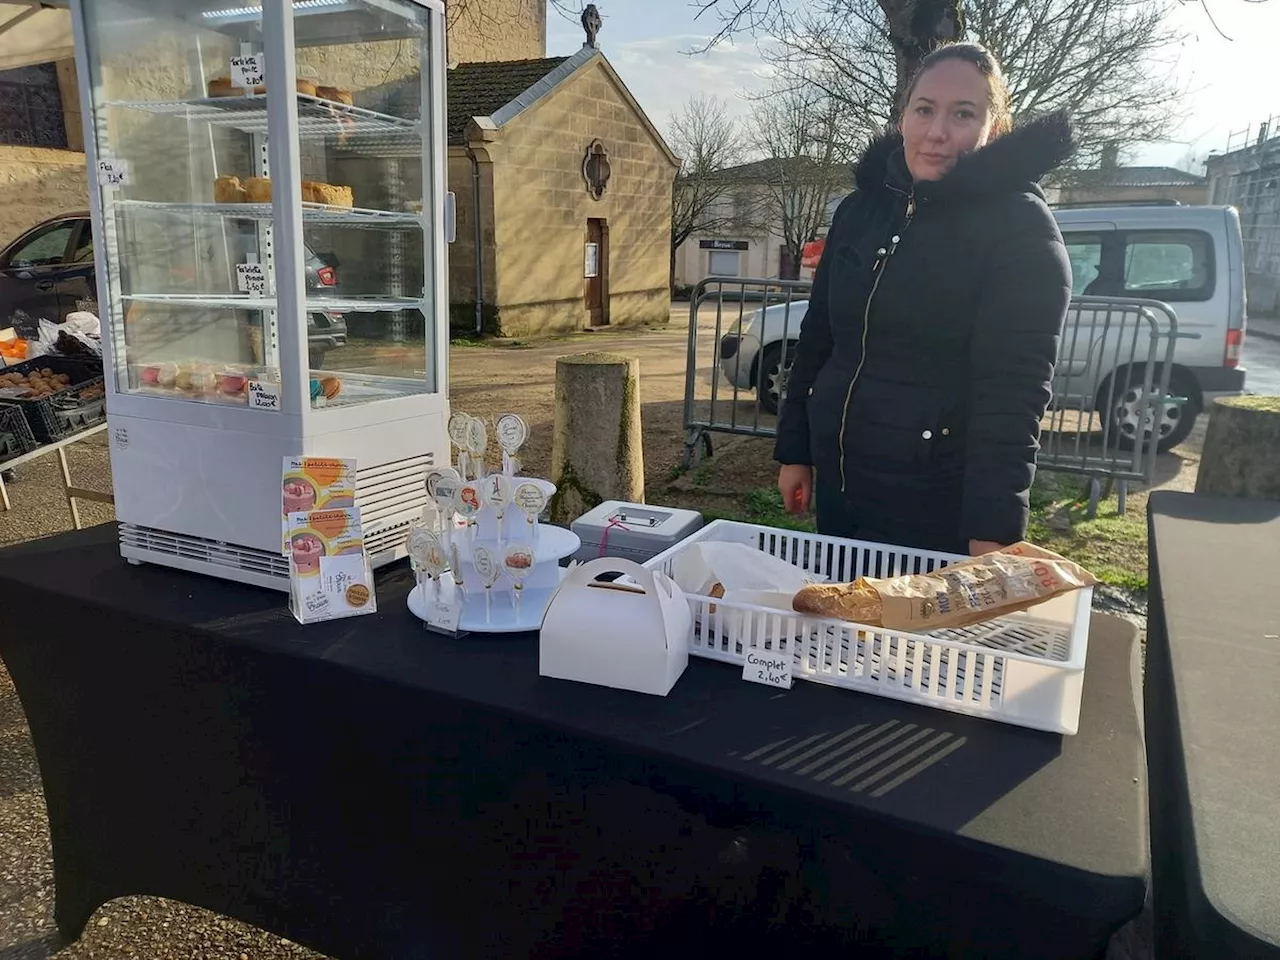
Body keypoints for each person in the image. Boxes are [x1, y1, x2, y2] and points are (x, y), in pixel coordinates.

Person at [775, 42, 1074, 557]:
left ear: (993, 129)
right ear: (903, 117)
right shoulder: (860, 210)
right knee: (845, 629)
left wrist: (994, 529)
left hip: (937, 506)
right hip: (843, 485)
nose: (937, 133)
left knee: (910, 640)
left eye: (963, 114)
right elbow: (819, 339)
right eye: (924, 110)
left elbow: (1014, 397)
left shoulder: (1019, 231)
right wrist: (795, 450)